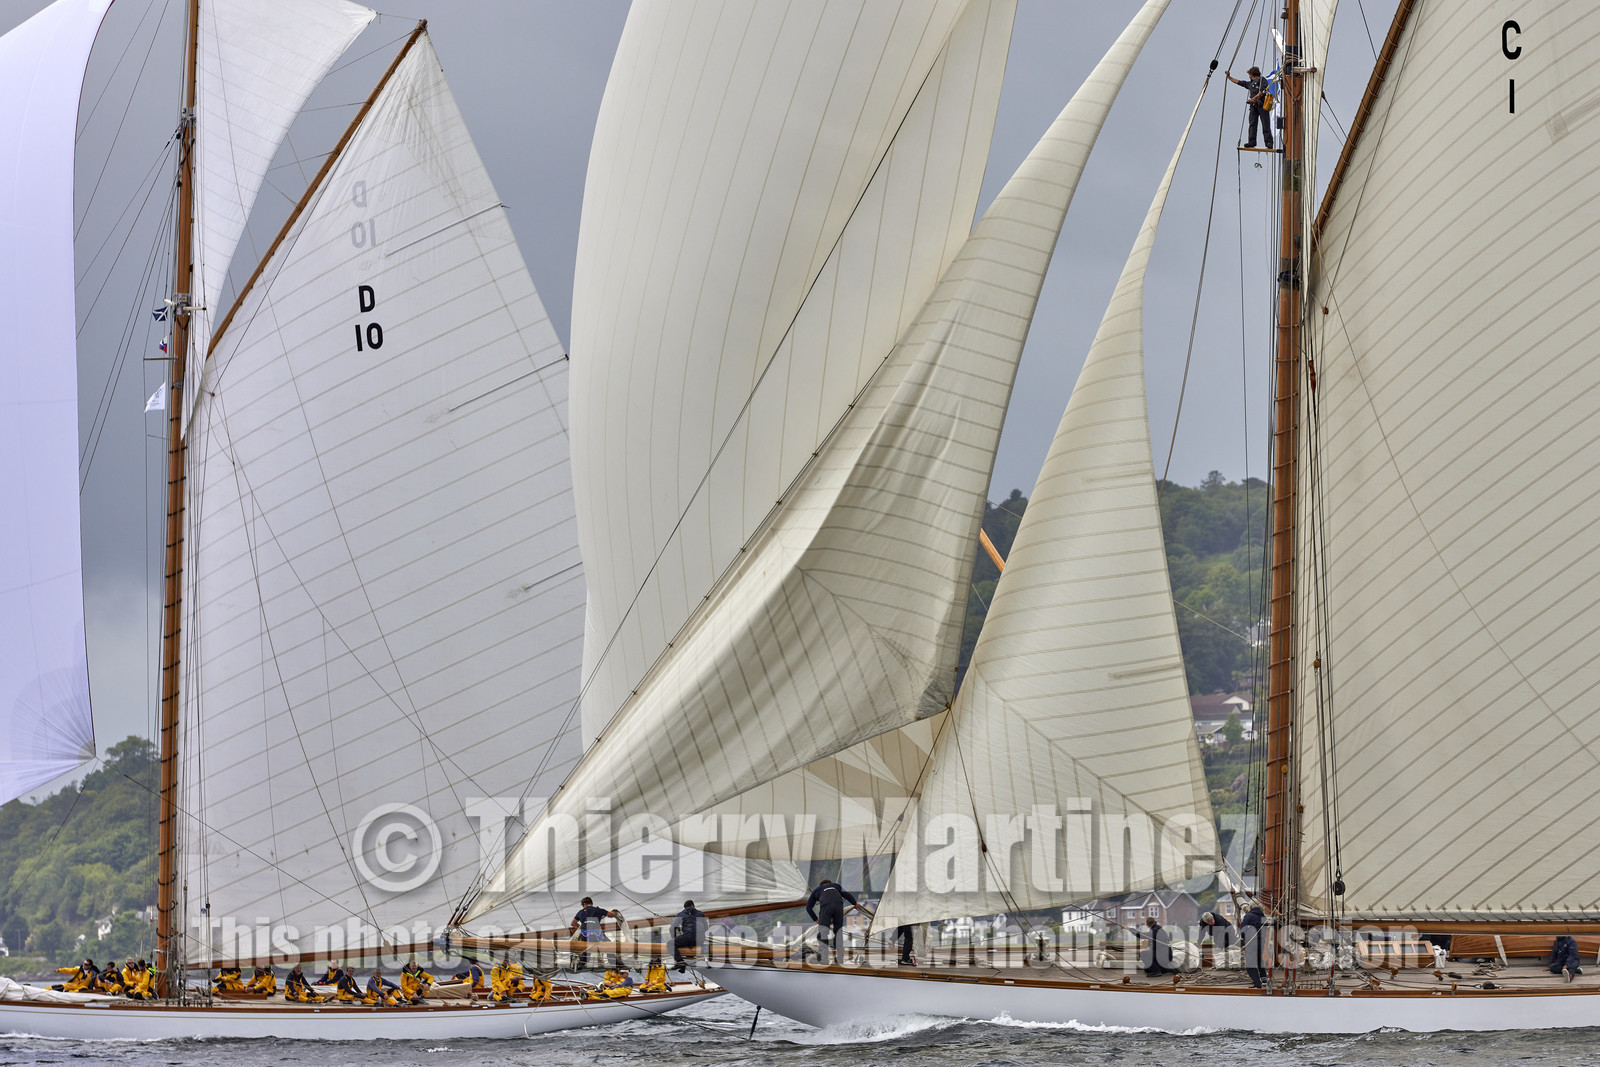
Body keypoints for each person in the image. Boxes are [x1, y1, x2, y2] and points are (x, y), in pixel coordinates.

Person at [806, 879, 860, 964]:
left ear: (821, 885)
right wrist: (855, 903)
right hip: (838, 907)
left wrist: (816, 919)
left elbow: (808, 908)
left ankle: (824, 959)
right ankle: (840, 959)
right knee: (838, 933)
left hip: (826, 908)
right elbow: (847, 895)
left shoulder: (817, 890)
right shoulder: (836, 886)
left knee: (823, 933)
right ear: (830, 883)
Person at [1226, 66, 1274, 149]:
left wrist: (1252, 99)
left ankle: (1269, 142)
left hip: (1262, 105)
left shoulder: (1262, 80)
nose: (1249, 76)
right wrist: (1229, 77)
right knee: (1252, 124)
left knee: (1265, 124)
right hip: (1253, 107)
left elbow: (1262, 92)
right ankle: (1252, 141)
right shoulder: (1250, 83)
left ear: (1252, 74)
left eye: (1249, 74)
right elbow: (1239, 82)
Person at [570, 896, 623, 969]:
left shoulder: (580, 912)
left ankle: (581, 963)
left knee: (587, 946)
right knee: (608, 944)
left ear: (584, 904)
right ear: (591, 903)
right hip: (596, 934)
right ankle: (613, 962)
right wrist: (613, 912)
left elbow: (573, 923)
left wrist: (580, 928)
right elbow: (612, 914)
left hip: (584, 935)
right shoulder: (598, 910)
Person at [670, 899, 708, 973]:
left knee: (671, 943)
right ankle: (690, 960)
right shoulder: (700, 913)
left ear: (685, 907)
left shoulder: (680, 914)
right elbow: (706, 927)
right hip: (700, 939)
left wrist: (675, 939)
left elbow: (672, 929)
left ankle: (680, 962)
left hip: (688, 937)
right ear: (693, 905)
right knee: (691, 943)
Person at [1239, 904, 1268, 988]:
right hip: (1261, 942)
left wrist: (1243, 941)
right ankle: (1264, 980)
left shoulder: (1248, 916)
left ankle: (1257, 984)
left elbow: (1242, 929)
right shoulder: (1264, 917)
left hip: (1251, 943)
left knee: (1250, 965)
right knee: (1259, 960)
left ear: (1251, 908)